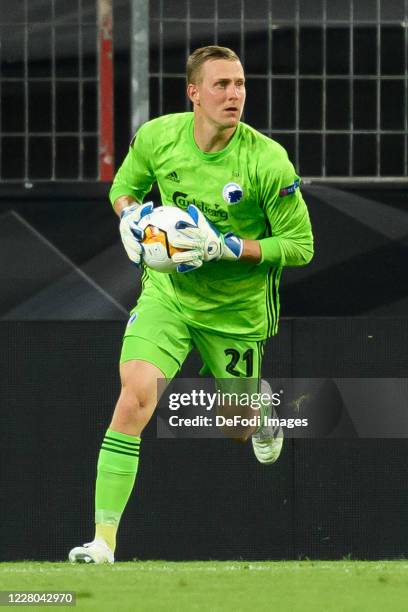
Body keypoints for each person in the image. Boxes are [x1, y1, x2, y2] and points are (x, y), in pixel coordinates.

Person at [69, 45, 313, 564]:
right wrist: (132, 219)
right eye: (222, 85)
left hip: (237, 309)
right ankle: (103, 542)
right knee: (135, 395)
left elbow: (300, 245)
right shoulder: (159, 137)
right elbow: (124, 189)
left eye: (240, 84)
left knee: (237, 424)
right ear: (194, 92)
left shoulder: (267, 160)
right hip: (169, 296)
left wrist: (229, 247)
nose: (234, 94)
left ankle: (262, 410)